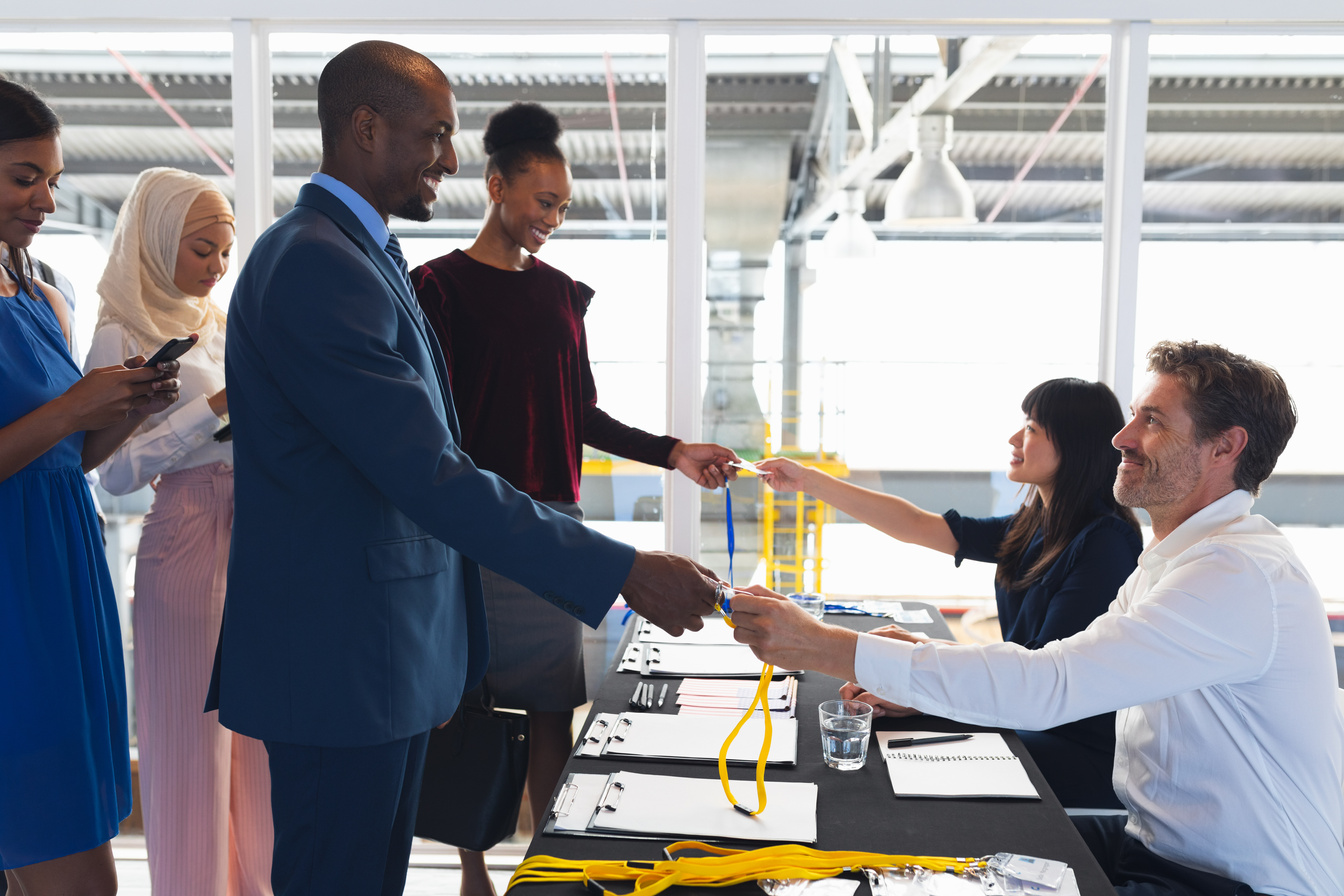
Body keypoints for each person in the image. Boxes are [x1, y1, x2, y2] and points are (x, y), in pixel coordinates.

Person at [206, 41, 724, 896]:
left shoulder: (360, 252)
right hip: (341, 660)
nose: (450, 160)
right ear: (366, 128)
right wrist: (623, 569)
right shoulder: (314, 262)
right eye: (436, 134)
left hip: (382, 654)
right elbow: (430, 472)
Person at [732, 340, 1344, 896]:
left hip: (1235, 883)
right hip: (1154, 847)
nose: (1121, 437)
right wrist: (902, 667)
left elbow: (1052, 683)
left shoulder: (1235, 573)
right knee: (914, 848)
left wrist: (823, 645)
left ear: (1225, 447)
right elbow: (1051, 668)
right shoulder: (1174, 559)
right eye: (1134, 415)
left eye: (1152, 421)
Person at [411, 101, 738, 894]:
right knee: (463, 705)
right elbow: (426, 422)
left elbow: (579, 412)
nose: (552, 219)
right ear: (496, 186)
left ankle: (551, 868)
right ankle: (472, 869)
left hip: (554, 525)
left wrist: (673, 453)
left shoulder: (562, 294)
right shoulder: (435, 288)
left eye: (562, 206)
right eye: (542, 201)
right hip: (469, 524)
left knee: (553, 704)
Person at [756, 378, 1140, 809]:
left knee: (903, 748)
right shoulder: (1036, 524)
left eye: (1032, 429)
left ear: (1075, 445)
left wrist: (919, 668)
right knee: (892, 725)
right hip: (1016, 707)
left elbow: (1042, 677)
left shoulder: (1104, 544)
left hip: (1066, 741)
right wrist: (808, 481)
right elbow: (918, 525)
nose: (1015, 438)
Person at [0, 78, 183, 895]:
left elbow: (60, 461)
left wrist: (126, 410)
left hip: (61, 583)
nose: (45, 200)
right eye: (24, 178)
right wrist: (76, 405)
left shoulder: (44, 293)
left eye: (51, 180)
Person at [85, 168, 273, 896]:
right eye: (202, 250)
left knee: (257, 748)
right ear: (159, 240)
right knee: (192, 751)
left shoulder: (218, 324)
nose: (217, 266)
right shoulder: (122, 332)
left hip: (254, 534)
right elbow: (112, 471)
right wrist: (214, 408)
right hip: (186, 535)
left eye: (225, 251)